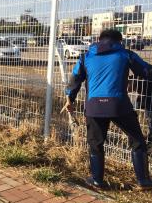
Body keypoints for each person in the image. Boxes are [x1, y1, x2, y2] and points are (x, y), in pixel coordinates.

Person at [63, 29, 152, 190]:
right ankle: (143, 181)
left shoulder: (86, 57)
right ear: (120, 41)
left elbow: (75, 78)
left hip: (94, 107)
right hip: (119, 105)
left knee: (96, 144)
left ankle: (97, 180)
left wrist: (70, 97)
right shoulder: (126, 54)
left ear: (99, 39)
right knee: (137, 140)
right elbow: (146, 71)